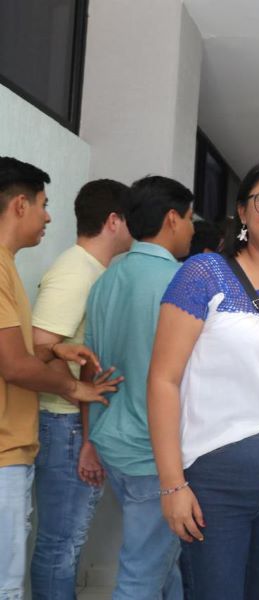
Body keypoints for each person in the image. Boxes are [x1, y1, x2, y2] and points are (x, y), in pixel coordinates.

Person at [148, 159, 259, 599]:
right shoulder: (205, 273)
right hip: (216, 469)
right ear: (243, 212)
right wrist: (172, 484)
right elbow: (163, 380)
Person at [0, 157, 118, 599]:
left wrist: (52, 351)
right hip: (16, 441)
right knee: (21, 574)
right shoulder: (61, 270)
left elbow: (22, 347)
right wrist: (74, 386)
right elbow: (12, 364)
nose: (49, 216)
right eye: (43, 205)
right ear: (18, 205)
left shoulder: (8, 264)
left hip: (17, 440)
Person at [85, 175, 194, 599]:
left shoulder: (105, 281)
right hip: (155, 452)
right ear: (172, 218)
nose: (189, 228)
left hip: (114, 441)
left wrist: (92, 439)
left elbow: (93, 372)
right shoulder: (181, 283)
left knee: (163, 567)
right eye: (188, 218)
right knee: (141, 575)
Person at [30, 178, 133, 599]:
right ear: (113, 221)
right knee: (61, 543)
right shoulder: (75, 271)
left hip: (75, 422)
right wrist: (77, 393)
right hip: (64, 422)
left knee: (67, 542)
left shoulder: (95, 270)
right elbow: (37, 349)